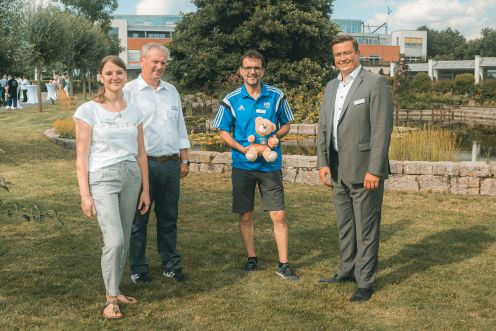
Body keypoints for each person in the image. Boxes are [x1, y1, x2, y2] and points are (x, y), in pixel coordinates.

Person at [316, 35, 393, 302]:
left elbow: (382, 130)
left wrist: (375, 169)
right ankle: (345, 271)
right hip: (336, 170)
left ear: (358, 53)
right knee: (345, 226)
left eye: (347, 53)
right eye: (338, 55)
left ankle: (364, 282)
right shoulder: (330, 87)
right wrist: (322, 163)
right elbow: (323, 128)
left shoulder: (375, 83)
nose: (342, 58)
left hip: (364, 171)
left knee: (366, 228)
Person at [74, 55, 150, 319]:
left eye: (119, 72)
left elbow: (141, 153)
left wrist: (146, 190)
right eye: (109, 73)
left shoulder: (135, 111)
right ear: (100, 77)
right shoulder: (88, 110)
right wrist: (85, 194)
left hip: (131, 175)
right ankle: (110, 301)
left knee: (125, 238)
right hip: (103, 177)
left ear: (125, 76)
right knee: (114, 239)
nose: (115, 77)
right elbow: (81, 155)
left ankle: (116, 289)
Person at [212, 50, 298, 281]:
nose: (252, 72)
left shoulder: (276, 95)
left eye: (256, 68)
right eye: (248, 68)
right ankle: (252, 258)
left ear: (263, 70)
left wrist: (277, 136)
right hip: (243, 166)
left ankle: (284, 264)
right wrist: (242, 150)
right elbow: (223, 131)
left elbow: (286, 124)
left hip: (270, 167)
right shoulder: (231, 99)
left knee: (278, 215)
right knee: (246, 215)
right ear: (241, 71)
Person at [124, 43, 191, 284]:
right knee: (138, 219)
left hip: (170, 164)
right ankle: (138, 269)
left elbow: (180, 126)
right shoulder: (129, 91)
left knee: (168, 218)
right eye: (155, 61)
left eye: (163, 62)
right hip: (142, 165)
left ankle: (171, 265)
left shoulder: (171, 91)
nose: (160, 66)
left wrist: (185, 158)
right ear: (142, 61)